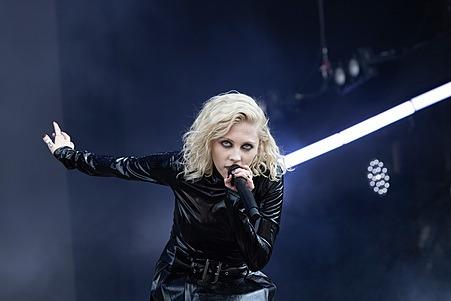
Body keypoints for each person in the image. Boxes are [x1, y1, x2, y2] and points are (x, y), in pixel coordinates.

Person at [42, 91, 286, 300]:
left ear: (260, 146)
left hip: (241, 288)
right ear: (209, 142)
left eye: (246, 147)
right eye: (226, 144)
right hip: (182, 283)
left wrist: (236, 204)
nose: (236, 156)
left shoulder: (270, 177)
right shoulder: (183, 168)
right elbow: (121, 166)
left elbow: (258, 257)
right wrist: (68, 155)